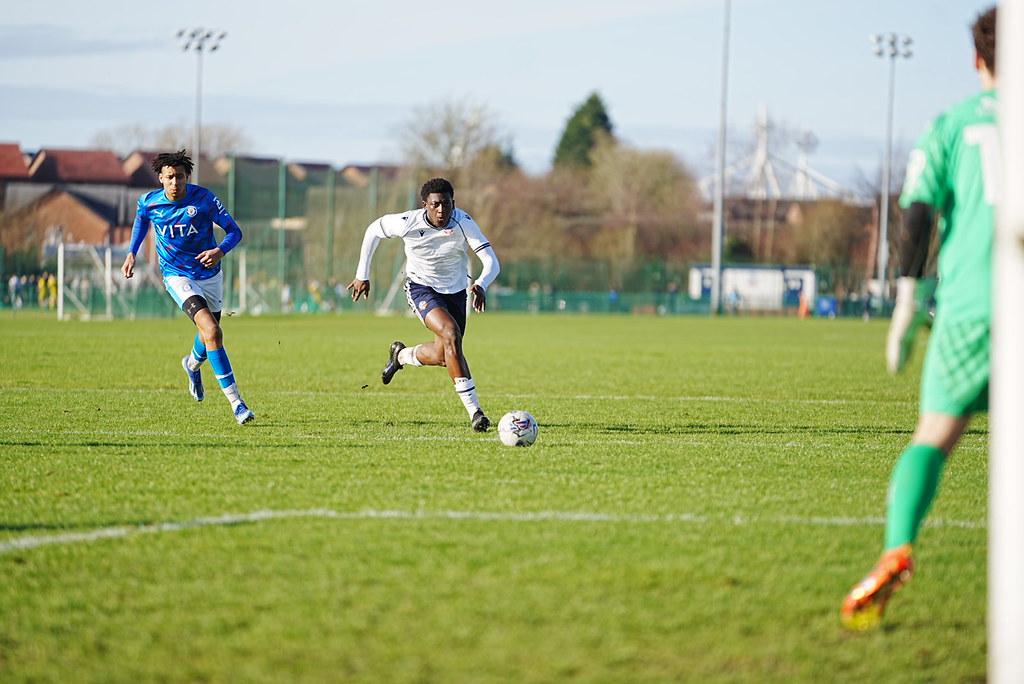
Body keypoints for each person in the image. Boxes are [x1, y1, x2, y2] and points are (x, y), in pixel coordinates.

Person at [841, 7, 997, 630]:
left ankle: (897, 548)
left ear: (976, 58)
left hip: (972, 307)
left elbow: (917, 215)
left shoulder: (953, 125)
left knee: (934, 433)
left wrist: (906, 303)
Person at [347, 177, 500, 432]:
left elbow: (491, 260)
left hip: (455, 292)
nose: (442, 210)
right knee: (451, 334)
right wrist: (362, 273)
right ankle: (476, 412)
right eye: (436, 204)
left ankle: (401, 356)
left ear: (454, 203)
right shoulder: (407, 222)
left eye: (447, 204)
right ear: (425, 205)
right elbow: (374, 229)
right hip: (421, 288)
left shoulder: (463, 222)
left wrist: (482, 284)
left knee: (443, 354)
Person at [121, 150, 255, 425]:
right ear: (160, 178)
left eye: (179, 176)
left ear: (187, 177)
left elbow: (235, 231)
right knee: (212, 331)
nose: (174, 182)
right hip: (176, 275)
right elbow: (141, 221)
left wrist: (219, 251)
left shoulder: (204, 199)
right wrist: (132, 252)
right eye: (169, 177)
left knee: (209, 336)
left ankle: (192, 365)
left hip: (210, 274)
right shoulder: (149, 202)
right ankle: (237, 405)